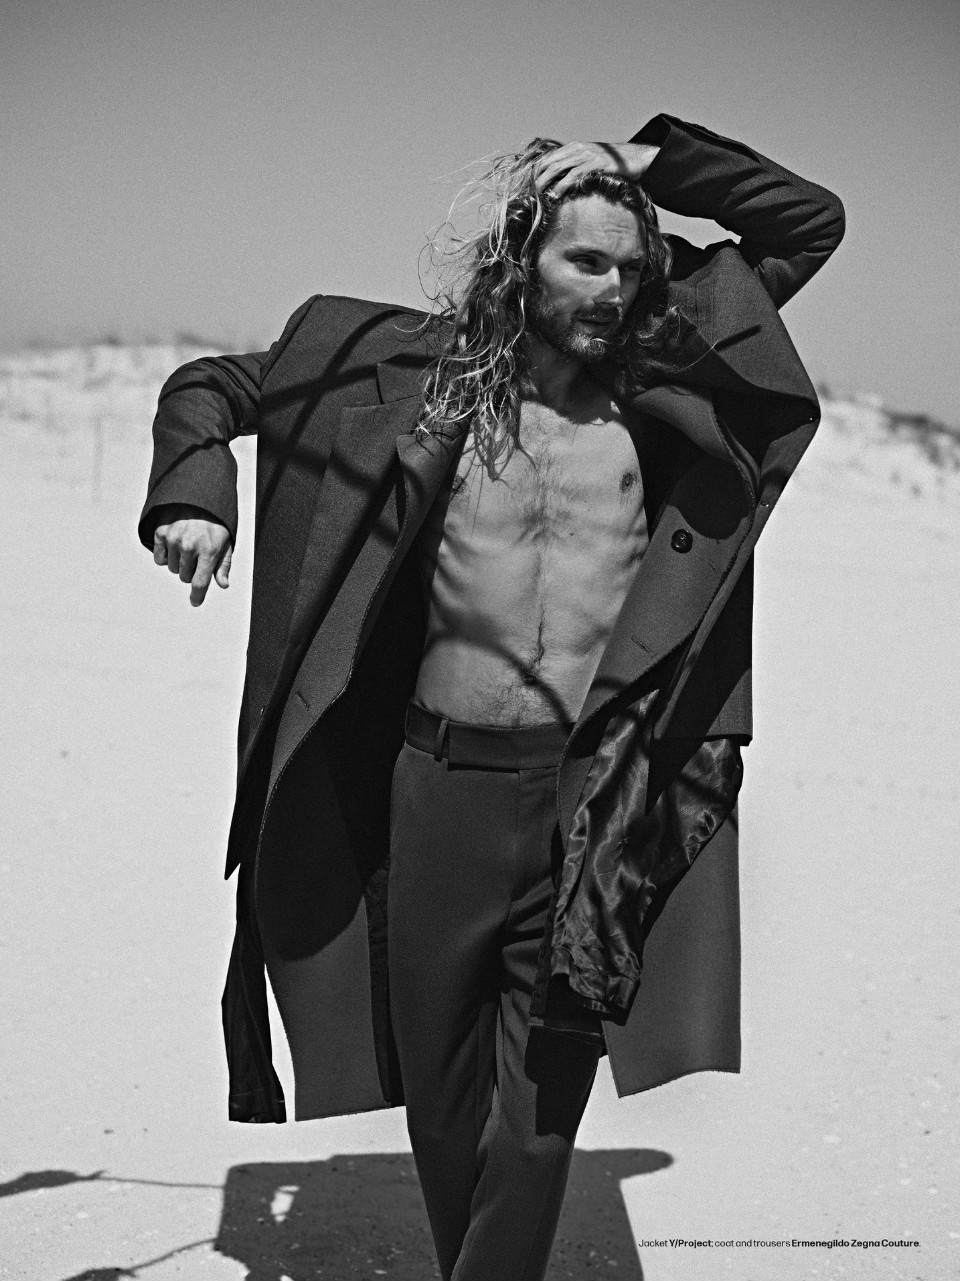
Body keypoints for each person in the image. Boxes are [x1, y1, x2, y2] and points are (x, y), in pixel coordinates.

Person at [140, 113, 844, 1281]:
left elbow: (809, 224)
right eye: (587, 261)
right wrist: (194, 492)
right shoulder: (420, 376)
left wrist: (649, 164)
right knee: (446, 1090)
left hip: (593, 797)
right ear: (523, 255)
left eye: (633, 266)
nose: (615, 290)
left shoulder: (660, 377)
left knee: (541, 1104)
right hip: (437, 790)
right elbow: (212, 386)